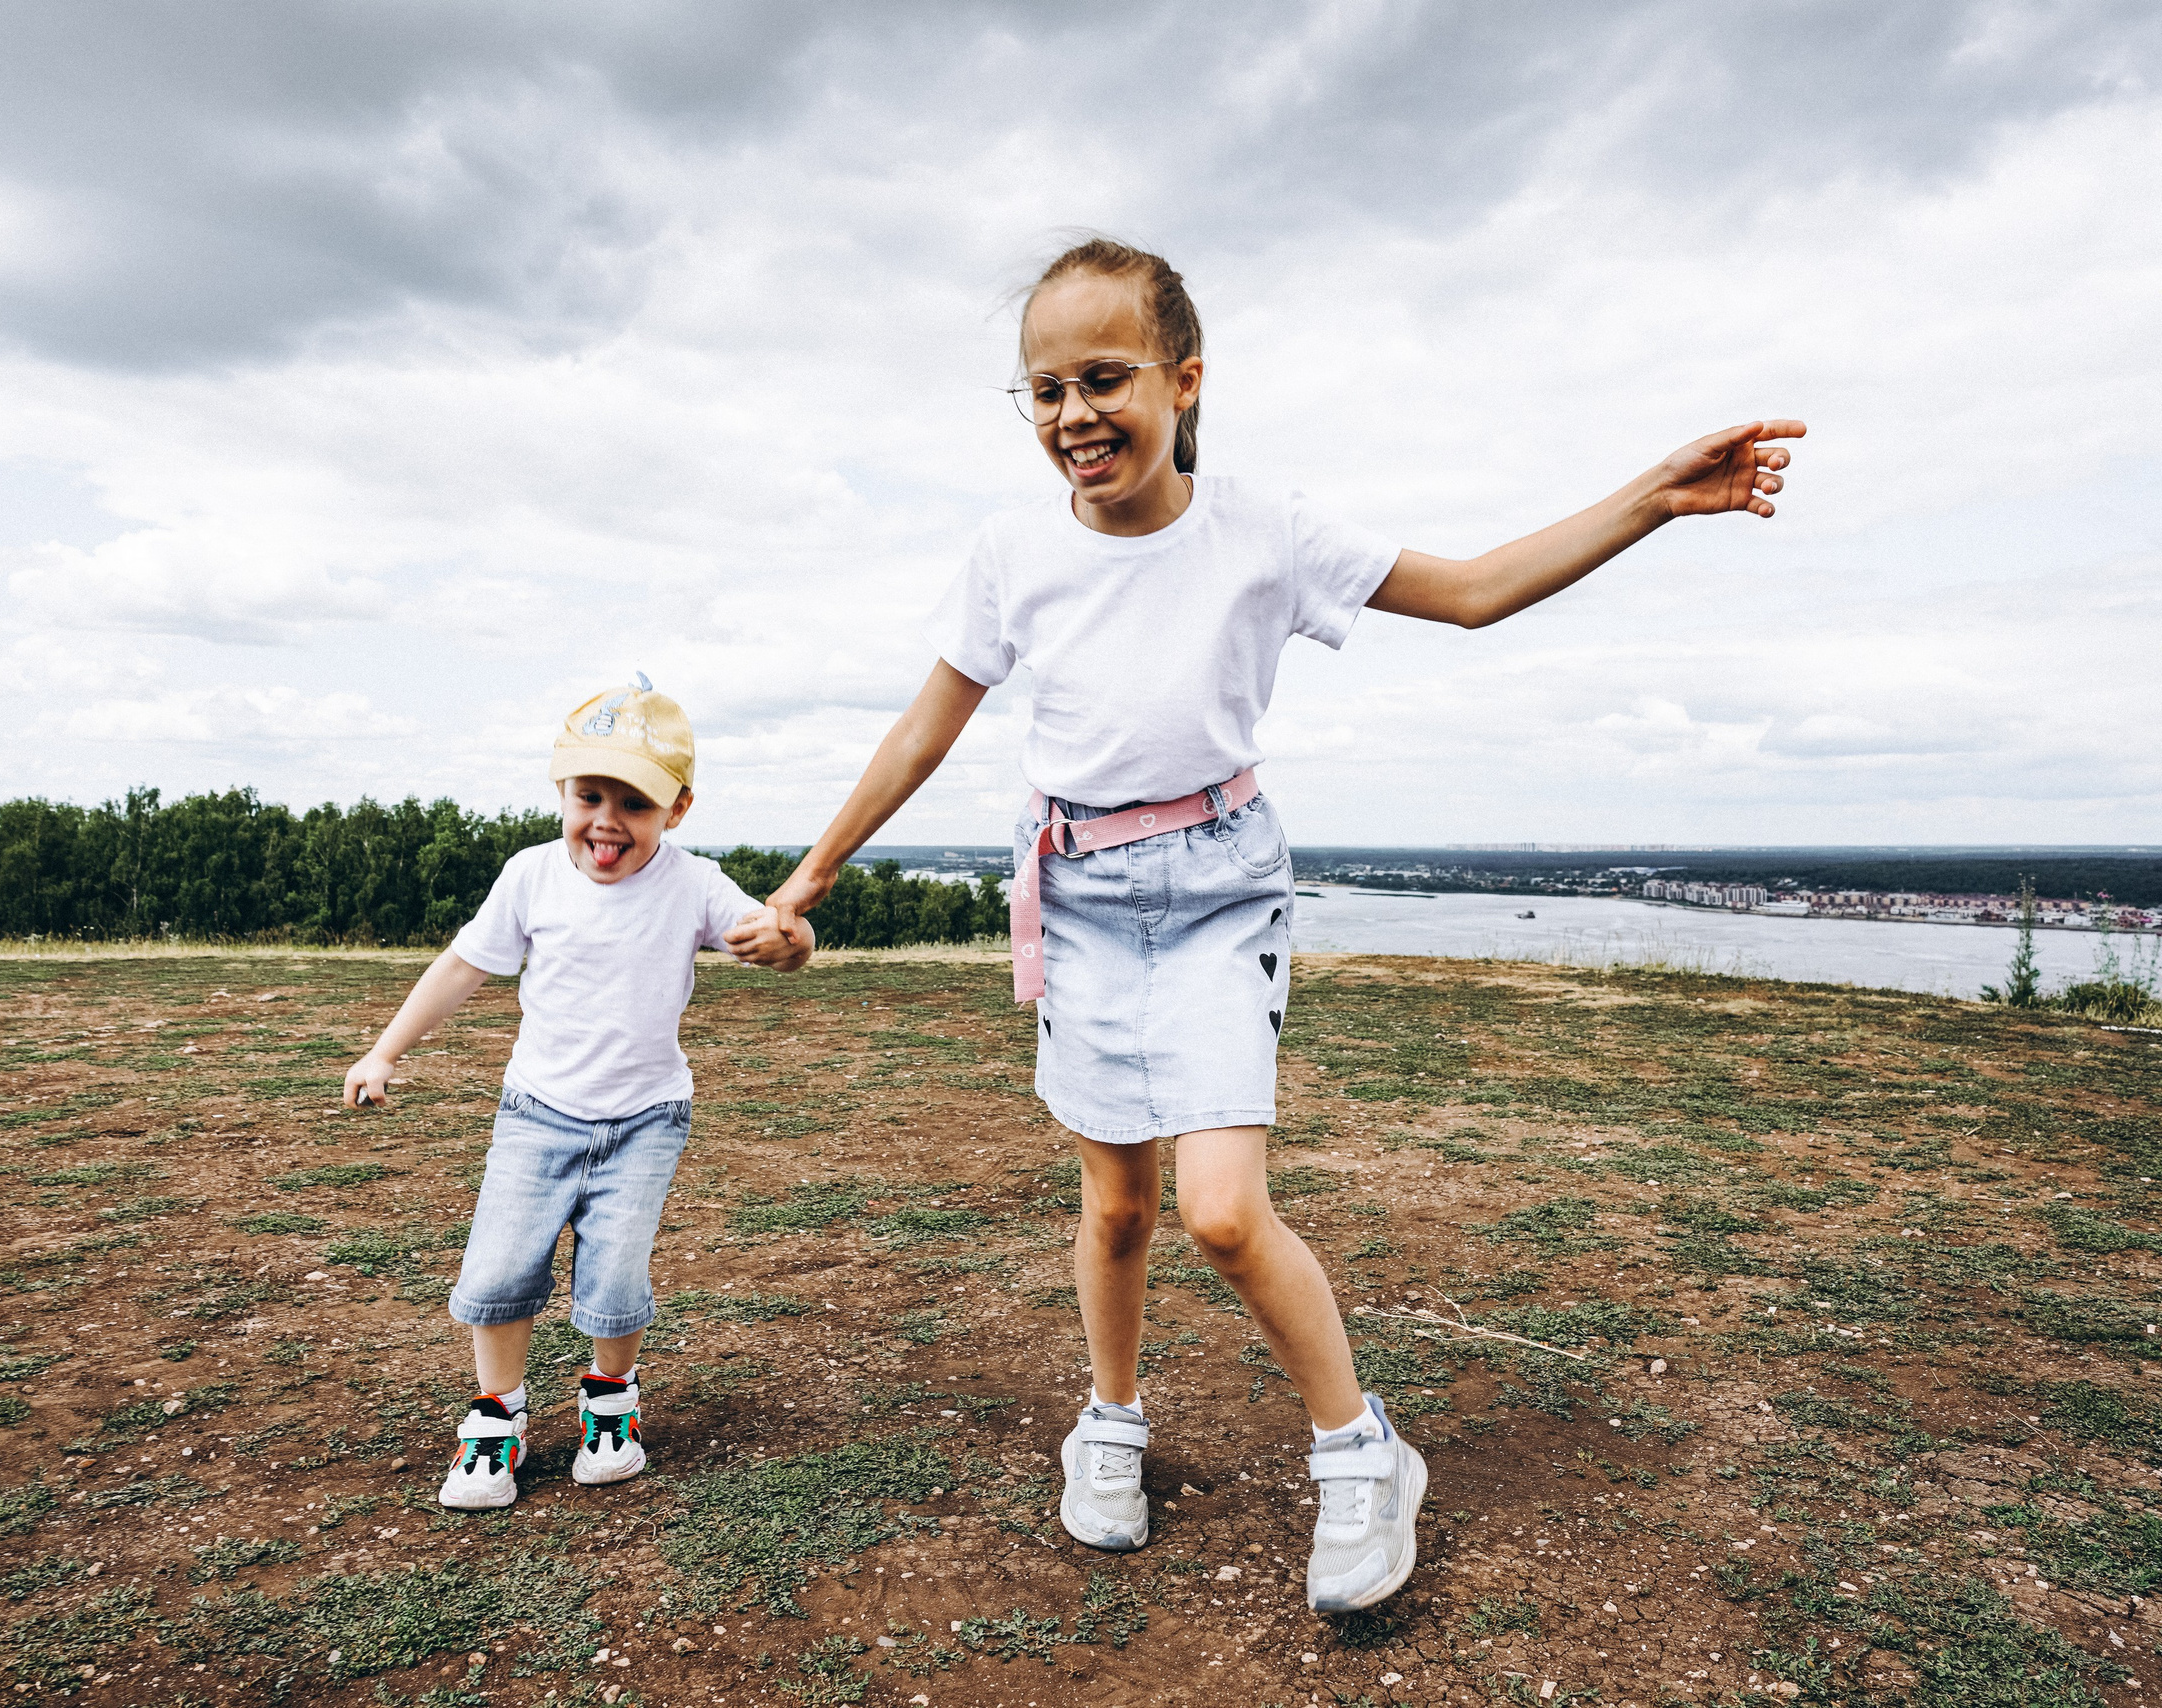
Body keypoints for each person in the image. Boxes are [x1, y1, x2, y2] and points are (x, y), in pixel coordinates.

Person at [726, 235, 1801, 1610]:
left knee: (1222, 1214)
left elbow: (1473, 592)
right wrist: (808, 880)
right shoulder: (1010, 554)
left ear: (1183, 380)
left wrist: (1653, 498)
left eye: (1104, 378)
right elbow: (921, 732)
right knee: (1116, 1204)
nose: (1073, 415)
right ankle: (1111, 1421)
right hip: (1079, 895)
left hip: (1221, 889)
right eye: (1044, 390)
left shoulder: (1265, 531)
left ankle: (1362, 1452)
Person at [344, 676, 813, 1509]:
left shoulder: (695, 883)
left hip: (647, 1119)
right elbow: (461, 966)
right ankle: (498, 1416)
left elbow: (777, 932)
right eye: (589, 796)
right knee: (500, 1269)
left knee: (615, 1278)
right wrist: (384, 1051)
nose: (607, 821)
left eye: (635, 803)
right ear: (561, 790)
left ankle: (611, 1404)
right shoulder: (530, 876)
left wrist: (794, 939)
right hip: (537, 1112)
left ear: (678, 809)